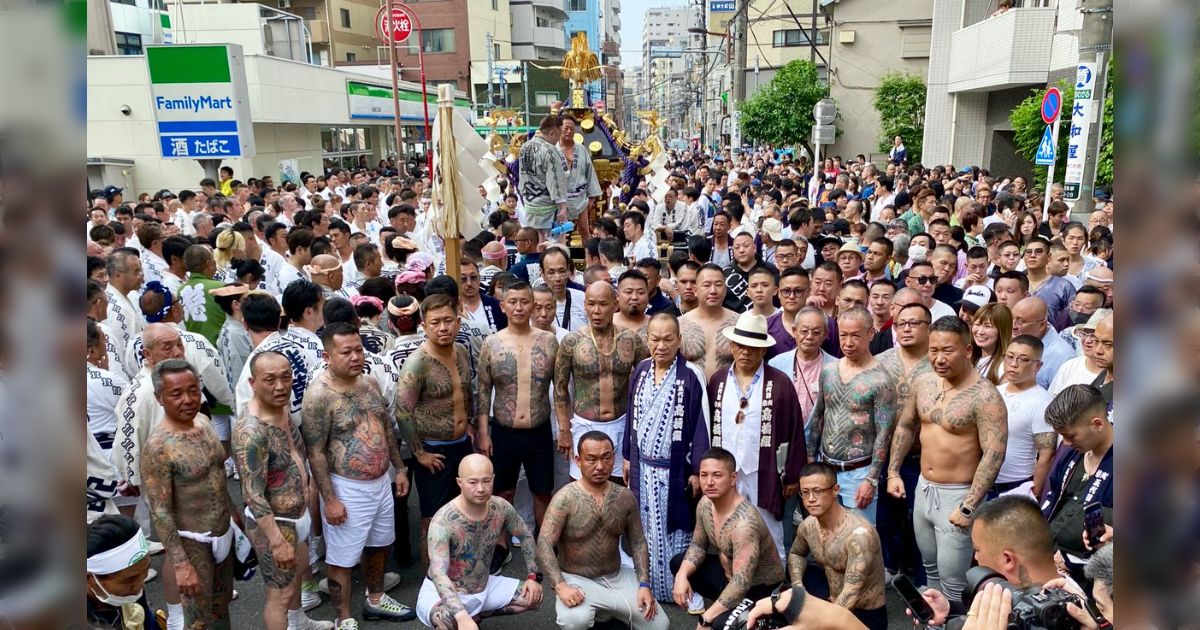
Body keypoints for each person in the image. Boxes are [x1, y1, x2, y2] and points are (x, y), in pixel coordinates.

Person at [886, 316, 1008, 604]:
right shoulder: (924, 382)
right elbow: (906, 426)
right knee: (929, 569)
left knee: (954, 580)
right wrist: (893, 471)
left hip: (958, 494)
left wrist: (968, 506)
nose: (939, 358)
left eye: (947, 351)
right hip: (924, 489)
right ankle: (933, 623)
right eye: (934, 350)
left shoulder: (985, 396)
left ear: (967, 350)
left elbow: (994, 453)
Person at [300, 323, 415, 627]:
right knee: (342, 558)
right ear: (327, 355)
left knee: (380, 545)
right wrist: (330, 499)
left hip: (380, 482)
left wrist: (399, 468)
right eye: (346, 352)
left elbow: (386, 428)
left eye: (359, 349)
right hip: (346, 486)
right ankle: (343, 618)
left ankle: (375, 599)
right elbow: (316, 452)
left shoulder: (369, 383)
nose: (355, 356)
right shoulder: (318, 396)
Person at [234, 352, 333, 630]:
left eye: (285, 377)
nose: (280, 386)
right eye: (270, 380)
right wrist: (276, 540)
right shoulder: (251, 432)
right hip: (276, 523)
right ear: (253, 383)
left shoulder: (282, 408)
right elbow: (253, 494)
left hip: (297, 515)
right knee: (280, 594)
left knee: (298, 577)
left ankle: (299, 622)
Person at [621, 313, 711, 603]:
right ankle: (649, 585)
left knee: (676, 528)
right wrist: (627, 457)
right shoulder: (642, 369)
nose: (661, 345)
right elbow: (631, 418)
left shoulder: (691, 374)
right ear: (647, 340)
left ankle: (680, 587)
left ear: (679, 341)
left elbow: (701, 425)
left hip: (674, 470)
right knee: (644, 526)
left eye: (668, 339)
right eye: (655, 339)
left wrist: (698, 470)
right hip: (643, 467)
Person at [141, 360, 236, 629]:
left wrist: (235, 517)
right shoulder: (159, 447)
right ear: (160, 398)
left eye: (193, 390)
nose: (187, 399)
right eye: (176, 394)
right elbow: (160, 510)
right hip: (193, 542)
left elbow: (218, 478)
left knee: (222, 606)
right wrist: (181, 563)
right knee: (198, 620)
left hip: (223, 532)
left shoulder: (205, 423)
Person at [536, 432, 665, 630]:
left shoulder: (625, 497)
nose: (600, 466)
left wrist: (644, 585)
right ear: (578, 460)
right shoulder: (565, 499)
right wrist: (561, 586)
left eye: (606, 458)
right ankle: (598, 614)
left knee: (659, 626)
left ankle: (604, 614)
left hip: (615, 576)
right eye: (591, 459)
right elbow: (544, 545)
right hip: (576, 578)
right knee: (575, 622)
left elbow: (638, 542)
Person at [708, 311, 808, 558]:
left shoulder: (780, 382)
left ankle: (772, 585)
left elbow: (795, 430)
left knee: (768, 530)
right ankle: (733, 581)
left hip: (763, 469)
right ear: (731, 346)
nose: (745, 352)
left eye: (753, 347)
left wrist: (793, 475)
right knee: (727, 526)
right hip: (727, 469)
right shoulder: (719, 380)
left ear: (763, 351)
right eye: (740, 345)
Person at [908, 495, 1077, 629]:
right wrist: (950, 611)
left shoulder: (1072, 618)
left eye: (978, 549)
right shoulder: (1059, 597)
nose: (975, 558)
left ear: (1008, 559)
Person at [417, 455, 543, 630]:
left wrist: (532, 576)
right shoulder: (443, 521)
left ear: (493, 479)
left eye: (486, 481)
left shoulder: (501, 507)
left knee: (533, 597)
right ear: (459, 482)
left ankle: (476, 615)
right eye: (473, 482)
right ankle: (465, 618)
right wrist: (460, 616)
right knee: (447, 620)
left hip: (483, 585)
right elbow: (439, 574)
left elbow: (525, 535)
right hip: (442, 593)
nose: (481, 488)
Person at [394, 294, 476, 558]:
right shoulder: (417, 364)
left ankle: (459, 570)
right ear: (424, 326)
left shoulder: (462, 352)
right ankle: (432, 581)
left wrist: (471, 425)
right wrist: (420, 454)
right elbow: (402, 412)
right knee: (432, 519)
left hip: (462, 443)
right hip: (433, 450)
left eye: (448, 321)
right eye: (436, 322)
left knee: (463, 511)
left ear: (458, 322)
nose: (443, 328)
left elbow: (466, 392)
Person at [670, 448, 787, 628]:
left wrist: (705, 618)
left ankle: (766, 618)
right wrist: (681, 576)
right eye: (704, 475)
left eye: (717, 475)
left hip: (758, 588)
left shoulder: (744, 524)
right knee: (679, 563)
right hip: (728, 577)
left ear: (733, 478)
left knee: (720, 625)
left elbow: (741, 583)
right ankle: (725, 606)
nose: (709, 482)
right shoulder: (705, 504)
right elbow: (698, 546)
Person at [474, 281, 559, 528]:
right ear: (502, 306)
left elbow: (561, 389)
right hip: (503, 431)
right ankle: (500, 544)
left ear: (533, 305)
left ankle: (543, 545)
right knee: (503, 493)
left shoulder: (548, 341)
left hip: (539, 429)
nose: (519, 307)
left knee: (542, 492)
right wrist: (483, 433)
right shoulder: (492, 343)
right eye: (513, 302)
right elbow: (482, 390)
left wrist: (563, 429)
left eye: (524, 301)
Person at [806, 307, 897, 524]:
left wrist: (871, 479)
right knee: (825, 533)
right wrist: (811, 460)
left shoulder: (881, 380)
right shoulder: (829, 371)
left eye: (855, 335)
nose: (848, 342)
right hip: (825, 465)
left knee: (859, 537)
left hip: (859, 472)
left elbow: (884, 435)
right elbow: (819, 415)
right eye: (843, 335)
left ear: (870, 334)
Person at [554, 282, 648, 480]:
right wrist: (564, 429)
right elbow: (560, 388)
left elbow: (647, 382)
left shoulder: (631, 340)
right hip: (584, 424)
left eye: (603, 304)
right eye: (591, 304)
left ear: (615, 304)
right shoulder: (572, 341)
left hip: (621, 423)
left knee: (621, 485)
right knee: (581, 485)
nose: (596, 311)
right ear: (585, 305)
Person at [788, 463, 887, 629]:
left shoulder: (859, 536)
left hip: (863, 615)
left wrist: (810, 623)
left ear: (835, 490)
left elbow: (849, 595)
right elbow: (796, 554)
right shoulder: (808, 526)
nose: (811, 499)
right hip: (832, 602)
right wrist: (798, 587)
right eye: (805, 492)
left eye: (818, 491)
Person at [1041, 385, 1113, 585]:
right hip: (1051, 560)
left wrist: (1071, 561)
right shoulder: (1073, 454)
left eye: (1071, 436)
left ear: (1097, 424)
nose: (1065, 443)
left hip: (1096, 578)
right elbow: (1052, 499)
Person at [994, 335, 1057, 500]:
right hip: (981, 479)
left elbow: (1047, 454)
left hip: (1016, 483)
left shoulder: (1042, 402)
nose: (1014, 364)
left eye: (1023, 359)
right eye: (1010, 357)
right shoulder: (994, 392)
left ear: (1037, 366)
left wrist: (1034, 493)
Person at [86, 515, 156, 629]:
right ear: (89, 578)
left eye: (145, 571)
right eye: (129, 580)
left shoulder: (130, 592)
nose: (140, 586)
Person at [679, 264, 739, 378]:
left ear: (725, 290)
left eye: (718, 285)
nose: (713, 291)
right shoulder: (680, 324)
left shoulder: (739, 323)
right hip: (691, 392)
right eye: (706, 285)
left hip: (727, 391)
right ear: (695, 290)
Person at [1011, 296, 1074, 389]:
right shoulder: (1010, 336)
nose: (1013, 326)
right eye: (1011, 318)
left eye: (1021, 322)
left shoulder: (1062, 357)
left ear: (1042, 325)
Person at [558, 116, 601, 240]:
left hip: (580, 198)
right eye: (566, 128)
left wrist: (591, 198)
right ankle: (560, 258)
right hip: (559, 200)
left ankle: (589, 258)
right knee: (559, 233)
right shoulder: (551, 150)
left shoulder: (581, 149)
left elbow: (590, 173)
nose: (569, 131)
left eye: (572, 129)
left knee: (584, 231)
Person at [1022, 236, 1076, 330]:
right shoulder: (1017, 282)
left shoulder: (1064, 286)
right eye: (1028, 252)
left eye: (1038, 251)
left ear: (1048, 257)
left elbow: (1072, 318)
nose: (1033, 255)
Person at [105, 248, 146, 355]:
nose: (141, 276)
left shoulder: (125, 296)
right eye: (136, 271)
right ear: (117, 274)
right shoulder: (118, 310)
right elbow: (123, 353)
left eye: (140, 270)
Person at [765, 267, 811, 359]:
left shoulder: (825, 324)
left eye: (798, 291)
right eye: (786, 291)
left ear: (808, 292)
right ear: (778, 293)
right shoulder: (766, 326)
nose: (791, 296)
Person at [539, 246, 586, 331]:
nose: (557, 278)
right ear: (542, 273)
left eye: (562, 271)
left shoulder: (583, 298)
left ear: (568, 269)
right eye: (551, 272)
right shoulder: (534, 302)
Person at [457, 259, 506, 334]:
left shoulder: (496, 305)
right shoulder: (453, 308)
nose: (469, 283)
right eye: (463, 279)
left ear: (479, 278)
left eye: (473, 277)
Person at [971, 303, 1012, 385]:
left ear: (1002, 331)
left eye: (988, 326)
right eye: (977, 324)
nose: (980, 332)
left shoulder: (1004, 367)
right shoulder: (970, 358)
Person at [722, 233, 759, 312]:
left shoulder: (769, 270)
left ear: (754, 248)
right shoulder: (724, 273)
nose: (741, 250)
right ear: (733, 251)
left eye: (746, 246)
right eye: (737, 247)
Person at [613, 269, 651, 334]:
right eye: (629, 292)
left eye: (641, 292)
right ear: (617, 296)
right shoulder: (607, 323)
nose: (635, 297)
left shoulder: (656, 324)